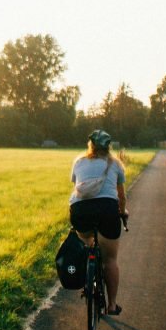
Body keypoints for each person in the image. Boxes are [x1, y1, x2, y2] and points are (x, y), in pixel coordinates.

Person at [69, 129, 128, 315]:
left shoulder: (79, 162)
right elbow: (121, 196)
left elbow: (78, 187)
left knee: (87, 243)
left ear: (91, 145)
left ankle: (88, 272)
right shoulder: (116, 164)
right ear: (108, 146)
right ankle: (112, 305)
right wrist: (123, 211)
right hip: (108, 211)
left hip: (80, 211)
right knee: (110, 260)